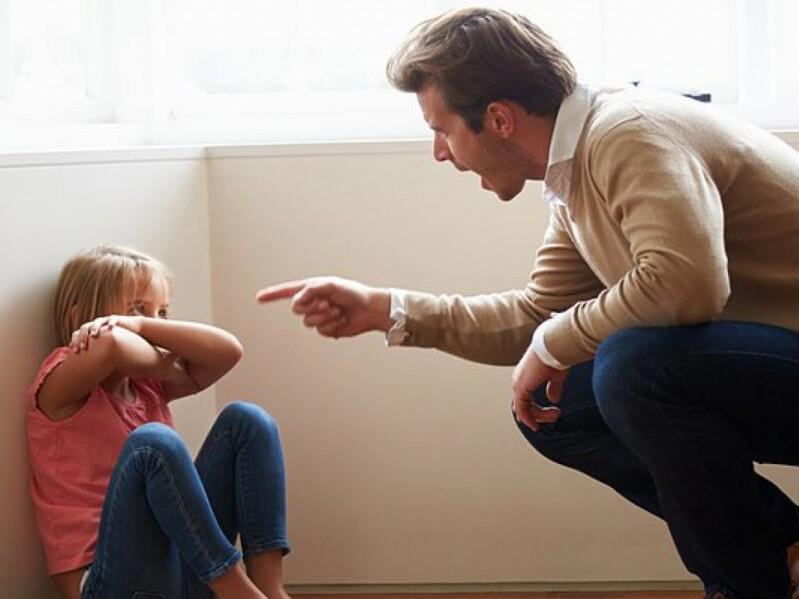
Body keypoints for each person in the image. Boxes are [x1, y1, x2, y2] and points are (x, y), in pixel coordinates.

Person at [256, 6, 799, 599]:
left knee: (633, 366)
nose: (439, 153)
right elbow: (539, 315)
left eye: (442, 130)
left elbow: (684, 282)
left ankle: (747, 587)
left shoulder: (629, 132)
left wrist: (553, 342)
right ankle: (783, 549)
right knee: (554, 403)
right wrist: (386, 309)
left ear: (498, 118)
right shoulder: (575, 169)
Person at [28, 245, 291, 599]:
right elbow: (111, 345)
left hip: (180, 572)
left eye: (162, 313)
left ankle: (269, 589)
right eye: (137, 308)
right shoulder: (60, 383)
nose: (155, 325)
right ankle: (239, 592)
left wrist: (139, 325)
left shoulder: (146, 386)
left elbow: (229, 351)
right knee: (152, 443)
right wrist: (169, 364)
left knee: (248, 421)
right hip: (112, 584)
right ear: (82, 319)